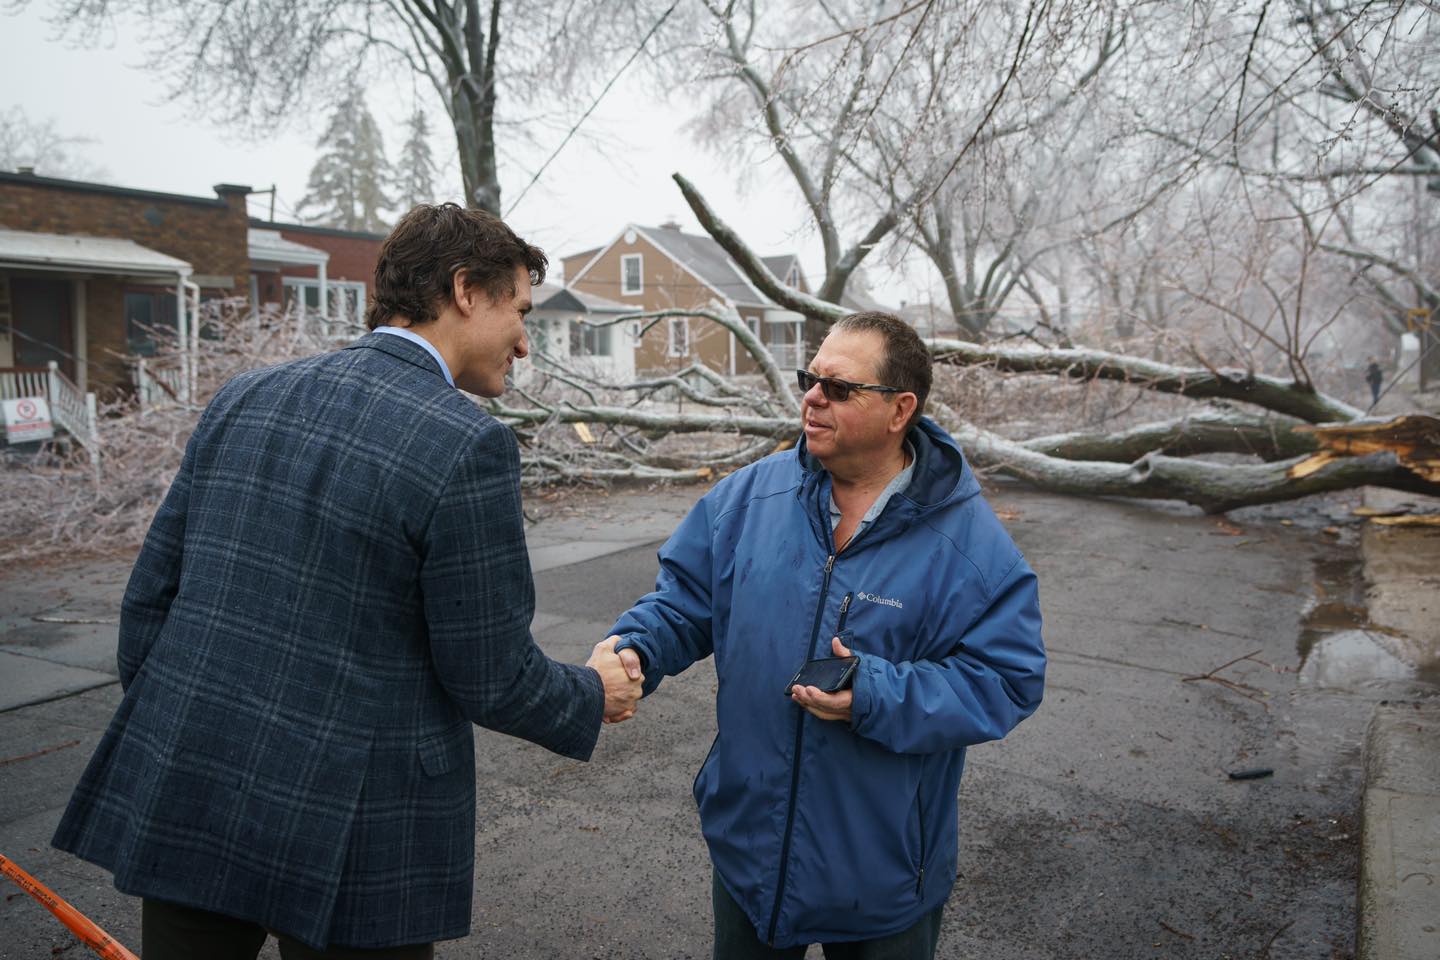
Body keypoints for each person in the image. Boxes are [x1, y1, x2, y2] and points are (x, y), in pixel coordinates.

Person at [51, 203, 642, 960]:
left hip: (191, 788)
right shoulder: (467, 445)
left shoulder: (245, 396)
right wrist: (594, 692)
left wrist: (189, 728)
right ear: (466, 290)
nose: (526, 341)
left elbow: (149, 605)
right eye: (519, 311)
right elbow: (490, 675)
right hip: (358, 827)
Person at [609, 312, 1046, 959]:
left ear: (901, 410)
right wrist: (634, 647)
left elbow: (1007, 679)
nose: (812, 398)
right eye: (809, 379)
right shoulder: (746, 502)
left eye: (839, 389)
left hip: (884, 876)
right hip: (750, 853)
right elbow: (684, 602)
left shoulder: (973, 548)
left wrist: (877, 692)